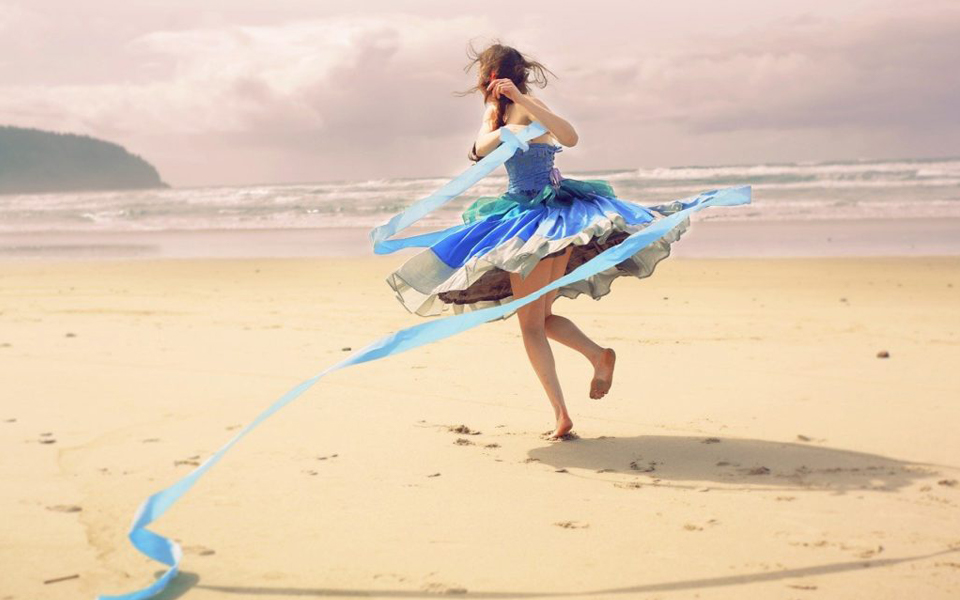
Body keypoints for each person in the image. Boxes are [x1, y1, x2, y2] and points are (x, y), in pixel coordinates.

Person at [385, 42, 693, 441]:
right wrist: (508, 126)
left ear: (501, 74)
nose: (490, 84)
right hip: (527, 216)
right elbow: (478, 149)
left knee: (530, 325)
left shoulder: (529, 102)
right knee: (540, 319)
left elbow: (571, 136)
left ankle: (562, 414)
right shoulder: (495, 113)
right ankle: (598, 356)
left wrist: (521, 101)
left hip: (546, 220)